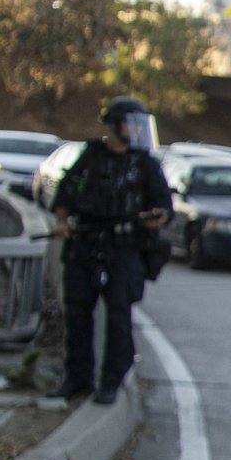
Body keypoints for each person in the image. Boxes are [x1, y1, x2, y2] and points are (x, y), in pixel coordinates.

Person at [49, 96, 171, 407]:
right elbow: (65, 192)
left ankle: (111, 381)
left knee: (119, 316)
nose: (135, 130)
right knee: (77, 313)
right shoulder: (92, 155)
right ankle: (77, 378)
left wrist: (158, 218)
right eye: (130, 122)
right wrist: (62, 221)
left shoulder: (145, 164)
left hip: (125, 250)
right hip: (85, 245)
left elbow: (163, 207)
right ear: (115, 125)